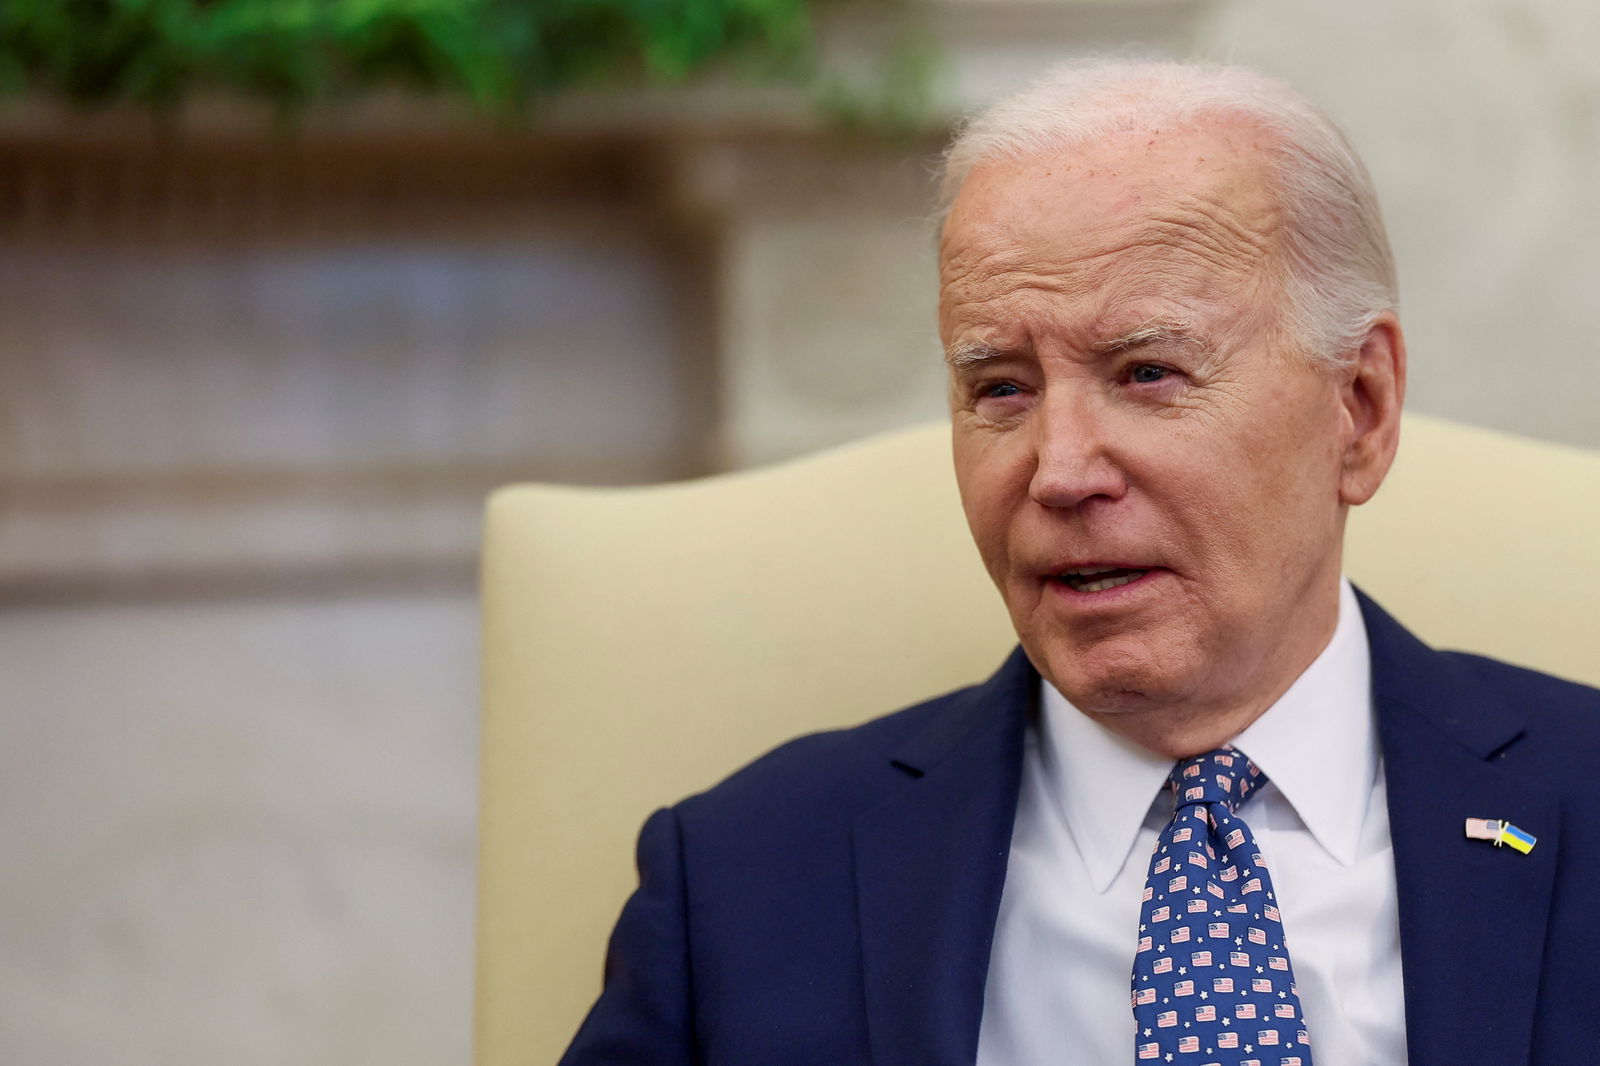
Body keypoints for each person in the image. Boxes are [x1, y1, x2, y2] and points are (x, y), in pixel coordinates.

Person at [559, 60, 1600, 1066]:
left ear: (1359, 410)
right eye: (1002, 389)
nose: (1059, 472)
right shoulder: (741, 880)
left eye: (1147, 373)